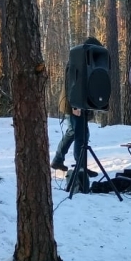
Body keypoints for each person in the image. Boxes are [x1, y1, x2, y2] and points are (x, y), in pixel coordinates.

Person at [50, 36, 101, 177]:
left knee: (79, 133)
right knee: (77, 134)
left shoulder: (88, 62)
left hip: (82, 104)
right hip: (73, 103)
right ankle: (78, 166)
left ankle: (62, 161)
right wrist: (75, 105)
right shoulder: (75, 60)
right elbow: (71, 85)